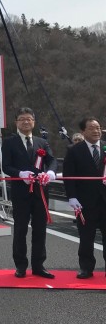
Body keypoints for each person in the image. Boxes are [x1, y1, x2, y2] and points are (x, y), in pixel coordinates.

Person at [1, 107, 58, 279]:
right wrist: (20, 174)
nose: (26, 122)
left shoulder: (42, 142)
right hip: (20, 192)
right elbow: (6, 166)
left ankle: (39, 265)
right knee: (20, 229)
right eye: (22, 119)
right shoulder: (9, 142)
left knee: (40, 229)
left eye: (29, 119)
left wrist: (50, 172)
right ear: (16, 122)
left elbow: (52, 160)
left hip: (40, 192)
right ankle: (20, 265)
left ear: (34, 121)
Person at [62, 117, 106, 279]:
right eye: (92, 128)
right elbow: (68, 176)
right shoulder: (74, 150)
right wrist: (72, 197)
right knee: (86, 237)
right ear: (83, 131)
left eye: (98, 128)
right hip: (85, 202)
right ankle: (86, 268)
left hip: (105, 200)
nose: (96, 131)